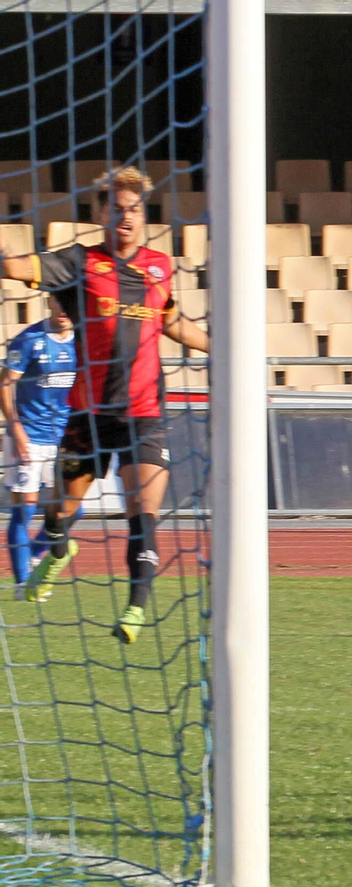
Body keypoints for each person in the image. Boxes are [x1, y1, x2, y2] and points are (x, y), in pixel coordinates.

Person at [0, 166, 210, 642]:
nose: (125, 218)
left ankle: (135, 610)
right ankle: (58, 552)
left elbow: (172, 321)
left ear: (143, 215)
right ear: (98, 213)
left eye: (133, 209)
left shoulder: (158, 267)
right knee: (57, 515)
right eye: (115, 209)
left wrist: (221, 346)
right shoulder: (79, 263)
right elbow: (19, 269)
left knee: (143, 513)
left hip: (144, 416)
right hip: (88, 418)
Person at [0, 298, 77, 595]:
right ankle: (22, 582)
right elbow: (5, 384)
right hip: (29, 437)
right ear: (48, 302)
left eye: (68, 304)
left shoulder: (81, 342)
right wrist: (16, 428)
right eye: (58, 303)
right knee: (25, 511)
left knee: (74, 510)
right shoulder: (29, 339)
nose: (63, 311)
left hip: (64, 438)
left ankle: (32, 554)